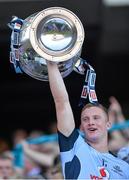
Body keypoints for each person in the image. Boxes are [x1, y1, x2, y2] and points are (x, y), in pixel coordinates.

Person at [47, 61, 129, 179]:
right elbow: (62, 103)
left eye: (96, 118)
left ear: (108, 125)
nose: (91, 122)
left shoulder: (125, 167)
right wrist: (51, 62)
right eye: (85, 119)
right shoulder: (74, 148)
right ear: (81, 127)